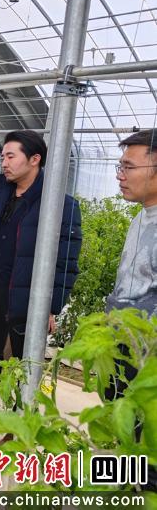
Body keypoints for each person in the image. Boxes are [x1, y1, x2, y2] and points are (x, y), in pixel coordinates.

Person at [0, 130, 82, 436]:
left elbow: (66, 262)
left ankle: (19, 421)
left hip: (28, 297)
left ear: (35, 159)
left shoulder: (60, 204)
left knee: (25, 362)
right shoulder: (1, 194)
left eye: (11, 156)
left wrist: (52, 307)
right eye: (3, 156)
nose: (4, 163)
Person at [105, 129, 157, 399]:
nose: (120, 175)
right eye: (120, 166)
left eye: (129, 167)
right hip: (125, 344)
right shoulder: (141, 218)